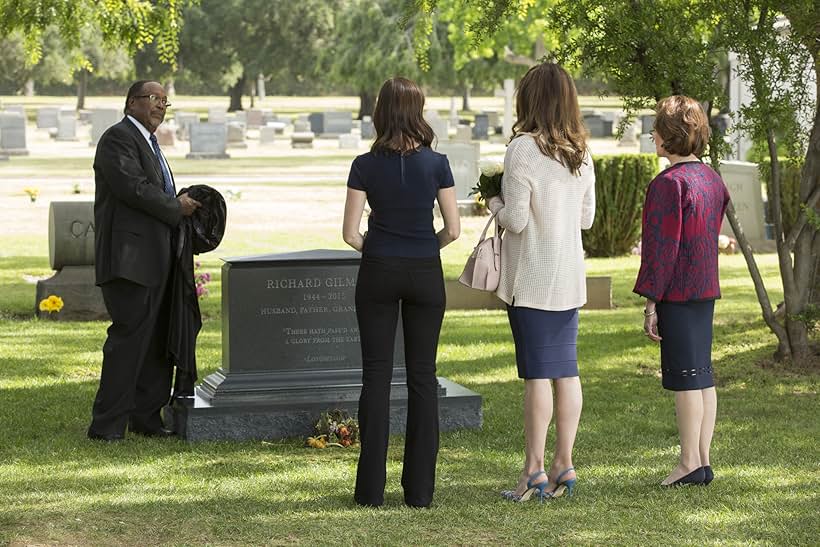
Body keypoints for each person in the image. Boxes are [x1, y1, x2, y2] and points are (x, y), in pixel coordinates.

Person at [342, 77, 460, 508]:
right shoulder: (438, 164)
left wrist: (378, 247)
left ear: (381, 112)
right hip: (425, 272)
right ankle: (420, 493)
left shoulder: (364, 164)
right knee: (422, 378)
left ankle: (370, 492)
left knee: (375, 377)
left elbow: (349, 234)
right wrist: (425, 246)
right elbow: (453, 229)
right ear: (418, 111)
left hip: (378, 270)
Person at [487, 62, 595, 502]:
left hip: (531, 277)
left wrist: (491, 200)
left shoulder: (523, 149)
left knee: (536, 377)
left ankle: (533, 470)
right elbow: (586, 218)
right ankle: (563, 464)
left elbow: (514, 219)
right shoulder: (581, 152)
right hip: (568, 276)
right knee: (565, 372)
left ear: (528, 100)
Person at [88, 80, 201, 441]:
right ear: (131, 102)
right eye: (154, 99)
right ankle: (107, 427)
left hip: (158, 257)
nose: (161, 106)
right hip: (129, 260)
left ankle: (146, 419)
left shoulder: (150, 143)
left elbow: (154, 188)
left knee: (156, 342)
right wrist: (175, 206)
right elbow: (132, 188)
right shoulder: (118, 138)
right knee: (128, 341)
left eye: (166, 101)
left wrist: (180, 198)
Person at [634, 95, 729, 486]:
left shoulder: (667, 184)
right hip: (705, 287)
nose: (653, 133)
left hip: (677, 291)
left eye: (657, 128)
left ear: (668, 137)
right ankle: (702, 459)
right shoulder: (712, 179)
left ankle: (690, 462)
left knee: (688, 376)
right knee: (702, 375)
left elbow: (662, 248)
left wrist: (651, 302)